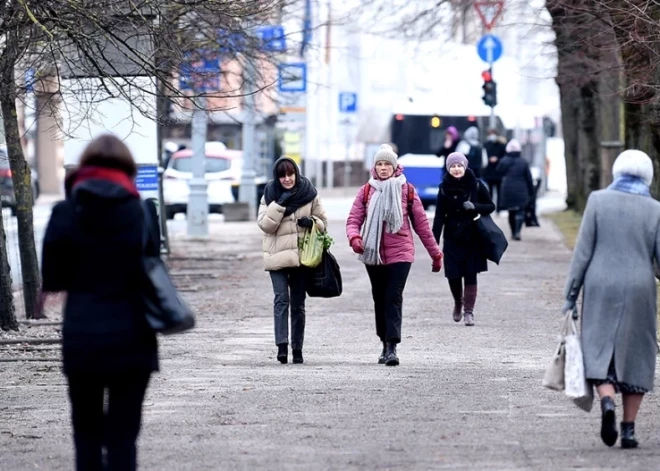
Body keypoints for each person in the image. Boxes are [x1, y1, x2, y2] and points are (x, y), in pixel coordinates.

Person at [42, 134, 159, 471]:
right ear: (128, 169)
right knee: (124, 437)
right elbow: (153, 268)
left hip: (84, 335)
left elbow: (53, 278)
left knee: (87, 434)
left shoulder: (65, 212)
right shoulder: (141, 212)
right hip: (133, 334)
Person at [563, 150, 660, 449]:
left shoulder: (597, 201)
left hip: (600, 286)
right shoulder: (655, 209)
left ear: (616, 172)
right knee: (638, 355)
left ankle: (607, 402)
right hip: (640, 288)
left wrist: (570, 296)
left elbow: (582, 253)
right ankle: (629, 430)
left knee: (598, 349)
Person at [346, 144, 443, 366]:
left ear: (395, 167)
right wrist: (355, 238)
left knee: (392, 296)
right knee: (379, 298)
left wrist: (436, 254)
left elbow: (422, 226)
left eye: (386, 164)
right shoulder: (366, 191)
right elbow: (353, 220)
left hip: (401, 253)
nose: (382, 168)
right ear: (374, 167)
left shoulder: (406, 190)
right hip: (373, 253)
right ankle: (384, 342)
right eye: (379, 164)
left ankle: (392, 347)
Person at [258, 156, 328, 365]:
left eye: (290, 174)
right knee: (281, 300)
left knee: (298, 303)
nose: (287, 179)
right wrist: (279, 204)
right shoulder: (270, 194)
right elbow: (265, 225)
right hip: (276, 256)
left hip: (301, 257)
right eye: (282, 176)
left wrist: (313, 222)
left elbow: (323, 222)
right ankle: (282, 346)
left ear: (296, 173)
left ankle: (297, 349)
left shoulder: (309, 193)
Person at [432, 152, 495, 327]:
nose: (456, 169)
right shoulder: (444, 188)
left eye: (459, 166)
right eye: (453, 166)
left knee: (470, 274)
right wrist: (433, 241)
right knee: (453, 275)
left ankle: (469, 311)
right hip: (452, 236)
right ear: (448, 169)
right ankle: (458, 302)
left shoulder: (476, 184)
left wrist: (475, 206)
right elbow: (439, 216)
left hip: (473, 236)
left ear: (465, 166)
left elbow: (491, 206)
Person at [496, 139, 535, 241]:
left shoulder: (504, 161)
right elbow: (529, 178)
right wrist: (531, 192)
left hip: (507, 188)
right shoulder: (523, 162)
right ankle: (517, 232)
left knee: (511, 212)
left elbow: (498, 171)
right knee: (520, 211)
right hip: (521, 188)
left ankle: (513, 232)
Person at [482, 129, 506, 209]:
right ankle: (491, 207)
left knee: (499, 191)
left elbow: (504, 157)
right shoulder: (485, 145)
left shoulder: (501, 145)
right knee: (490, 192)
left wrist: (497, 159)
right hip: (489, 172)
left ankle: (499, 208)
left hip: (498, 172)